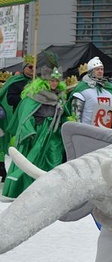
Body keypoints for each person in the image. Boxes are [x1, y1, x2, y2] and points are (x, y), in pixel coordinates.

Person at [2, 67, 68, 199]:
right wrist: (28, 131)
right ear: (44, 81)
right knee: (33, 161)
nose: (54, 83)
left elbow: (65, 115)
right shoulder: (35, 96)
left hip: (53, 135)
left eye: (56, 80)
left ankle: (50, 190)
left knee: (54, 159)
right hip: (37, 133)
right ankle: (28, 189)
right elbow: (26, 116)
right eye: (51, 80)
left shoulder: (59, 97)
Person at [0, 56, 34, 181]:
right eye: (30, 67)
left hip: (36, 120)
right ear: (24, 68)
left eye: (35, 67)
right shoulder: (16, 82)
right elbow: (10, 99)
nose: (33, 69)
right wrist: (25, 97)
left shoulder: (38, 82)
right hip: (20, 119)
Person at [69, 56, 112, 125]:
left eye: (102, 69)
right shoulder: (82, 89)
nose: (100, 71)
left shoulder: (109, 89)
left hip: (105, 131)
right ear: (91, 71)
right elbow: (76, 116)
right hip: (87, 131)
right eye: (97, 69)